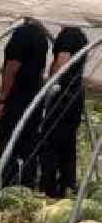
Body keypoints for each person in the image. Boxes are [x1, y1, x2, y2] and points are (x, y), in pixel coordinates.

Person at [0, 18, 50, 188]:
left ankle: (10, 186)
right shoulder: (42, 37)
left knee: (8, 142)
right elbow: (40, 72)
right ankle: (27, 186)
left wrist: (2, 100)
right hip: (34, 99)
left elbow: (11, 68)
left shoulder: (21, 34)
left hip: (17, 98)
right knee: (29, 144)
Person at [40, 26, 88, 198]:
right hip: (74, 96)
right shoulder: (81, 36)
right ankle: (67, 185)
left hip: (62, 96)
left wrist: (49, 85)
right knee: (67, 143)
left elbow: (62, 61)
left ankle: (49, 189)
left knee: (50, 143)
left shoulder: (67, 35)